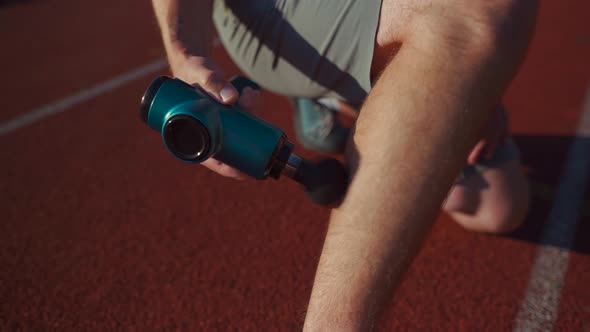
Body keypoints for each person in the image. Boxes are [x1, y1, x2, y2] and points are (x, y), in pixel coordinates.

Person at [151, 0, 537, 330]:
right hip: (279, 14)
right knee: (477, 11)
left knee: (500, 206)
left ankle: (339, 97)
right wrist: (187, 54)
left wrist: (477, 77)